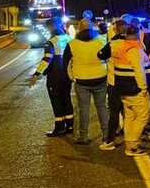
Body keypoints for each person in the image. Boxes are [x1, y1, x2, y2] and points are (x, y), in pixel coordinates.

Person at [64, 18, 110, 146]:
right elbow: (108, 59)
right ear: (92, 28)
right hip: (100, 78)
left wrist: (71, 77)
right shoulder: (101, 41)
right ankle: (106, 135)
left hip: (82, 80)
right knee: (101, 107)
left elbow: (66, 63)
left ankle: (83, 136)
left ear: (79, 28)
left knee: (83, 109)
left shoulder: (72, 44)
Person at [110, 22, 150, 155]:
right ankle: (133, 145)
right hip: (135, 89)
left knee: (130, 116)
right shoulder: (134, 50)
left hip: (123, 88)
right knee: (142, 116)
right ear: (137, 35)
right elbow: (139, 71)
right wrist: (143, 88)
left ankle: (129, 143)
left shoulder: (121, 47)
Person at [31, 17, 73, 136]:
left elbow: (47, 59)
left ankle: (59, 128)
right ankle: (70, 126)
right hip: (67, 75)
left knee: (56, 101)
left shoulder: (51, 41)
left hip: (55, 75)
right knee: (67, 99)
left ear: (50, 27)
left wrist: (37, 73)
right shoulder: (69, 38)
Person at [98, 19, 129, 150]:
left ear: (115, 30)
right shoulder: (136, 43)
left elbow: (100, 55)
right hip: (131, 82)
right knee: (129, 112)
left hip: (115, 82)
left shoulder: (112, 44)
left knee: (114, 112)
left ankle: (110, 140)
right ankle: (130, 137)